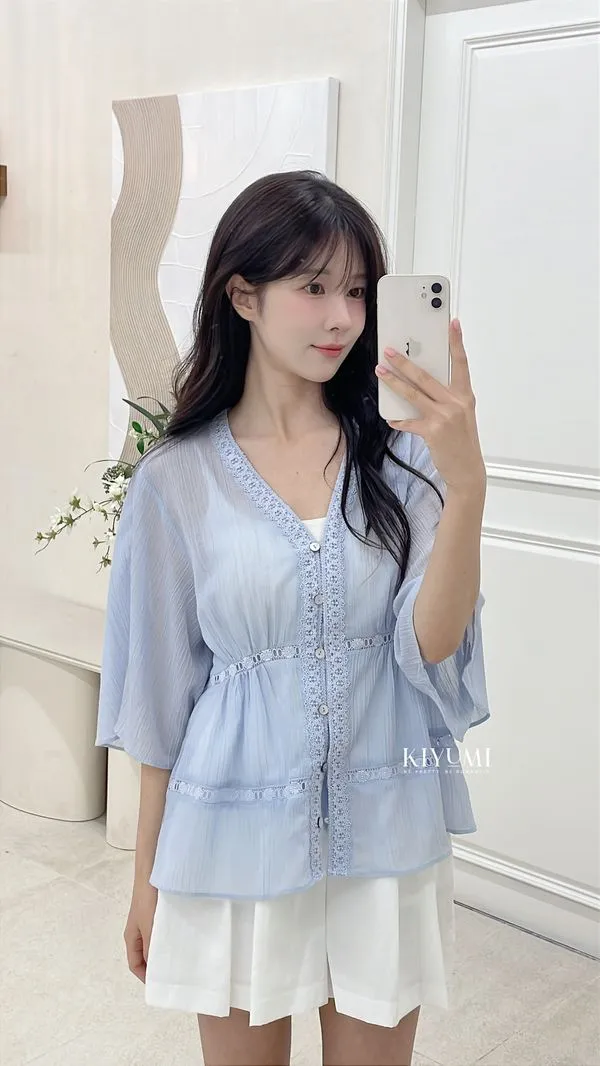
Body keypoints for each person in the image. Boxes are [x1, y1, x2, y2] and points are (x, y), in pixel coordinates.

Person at [96, 170, 490, 1066]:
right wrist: (147, 879)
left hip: (385, 834)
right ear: (244, 296)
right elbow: (161, 699)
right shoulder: (176, 480)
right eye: (313, 287)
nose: (342, 318)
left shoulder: (405, 459)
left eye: (356, 291)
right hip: (229, 839)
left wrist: (466, 486)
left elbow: (430, 648)